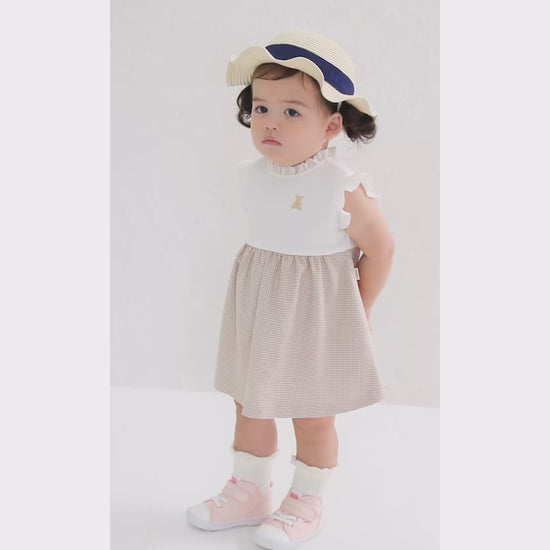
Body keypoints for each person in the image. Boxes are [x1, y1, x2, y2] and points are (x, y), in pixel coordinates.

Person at [186, 30, 395, 549]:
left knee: (312, 412)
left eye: (292, 112)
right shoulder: (250, 176)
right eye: (261, 108)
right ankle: (249, 490)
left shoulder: (341, 186)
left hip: (316, 317)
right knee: (250, 403)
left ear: (331, 126)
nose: (270, 122)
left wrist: (361, 308)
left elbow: (382, 249)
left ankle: (306, 500)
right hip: (260, 308)